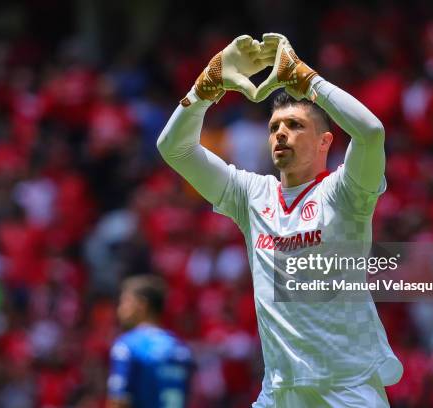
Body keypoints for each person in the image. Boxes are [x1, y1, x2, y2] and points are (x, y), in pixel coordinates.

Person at [157, 33, 402, 407]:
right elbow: (173, 148)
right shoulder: (251, 195)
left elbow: (371, 132)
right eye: (274, 127)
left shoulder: (346, 193)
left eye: (295, 125)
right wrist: (205, 86)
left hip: (346, 388)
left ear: (325, 141)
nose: (281, 133)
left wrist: (306, 79)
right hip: (279, 391)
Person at [107, 275, 194, 408]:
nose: (120, 309)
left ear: (141, 305)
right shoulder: (181, 349)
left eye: (125, 302)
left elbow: (119, 401)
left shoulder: (128, 346)